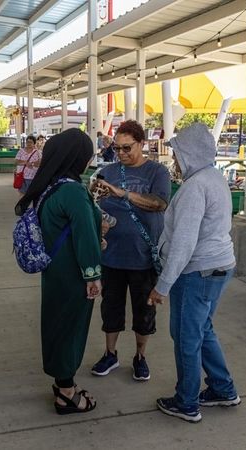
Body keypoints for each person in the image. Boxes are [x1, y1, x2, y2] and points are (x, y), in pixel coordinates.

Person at [147, 123, 239, 424]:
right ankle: (222, 389)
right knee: (203, 330)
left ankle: (186, 402)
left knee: (187, 337)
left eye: (177, 153)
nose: (174, 159)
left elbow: (184, 243)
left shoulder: (194, 187)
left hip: (196, 272)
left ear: (189, 154)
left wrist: (162, 285)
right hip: (218, 266)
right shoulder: (214, 177)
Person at [15, 128, 104, 415]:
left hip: (54, 272)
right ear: (76, 158)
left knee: (56, 324)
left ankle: (62, 381)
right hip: (74, 274)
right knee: (71, 328)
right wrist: (93, 276)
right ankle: (66, 394)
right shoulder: (74, 191)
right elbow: (86, 238)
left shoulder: (50, 187)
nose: (89, 161)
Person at [89, 120, 170, 382]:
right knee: (110, 309)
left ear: (142, 143)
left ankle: (140, 356)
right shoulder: (109, 171)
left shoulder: (157, 172)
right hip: (111, 255)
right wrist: (95, 197)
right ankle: (110, 353)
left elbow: (159, 204)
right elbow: (96, 204)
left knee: (143, 313)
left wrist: (122, 193)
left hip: (143, 257)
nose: (121, 154)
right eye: (117, 148)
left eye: (127, 148)